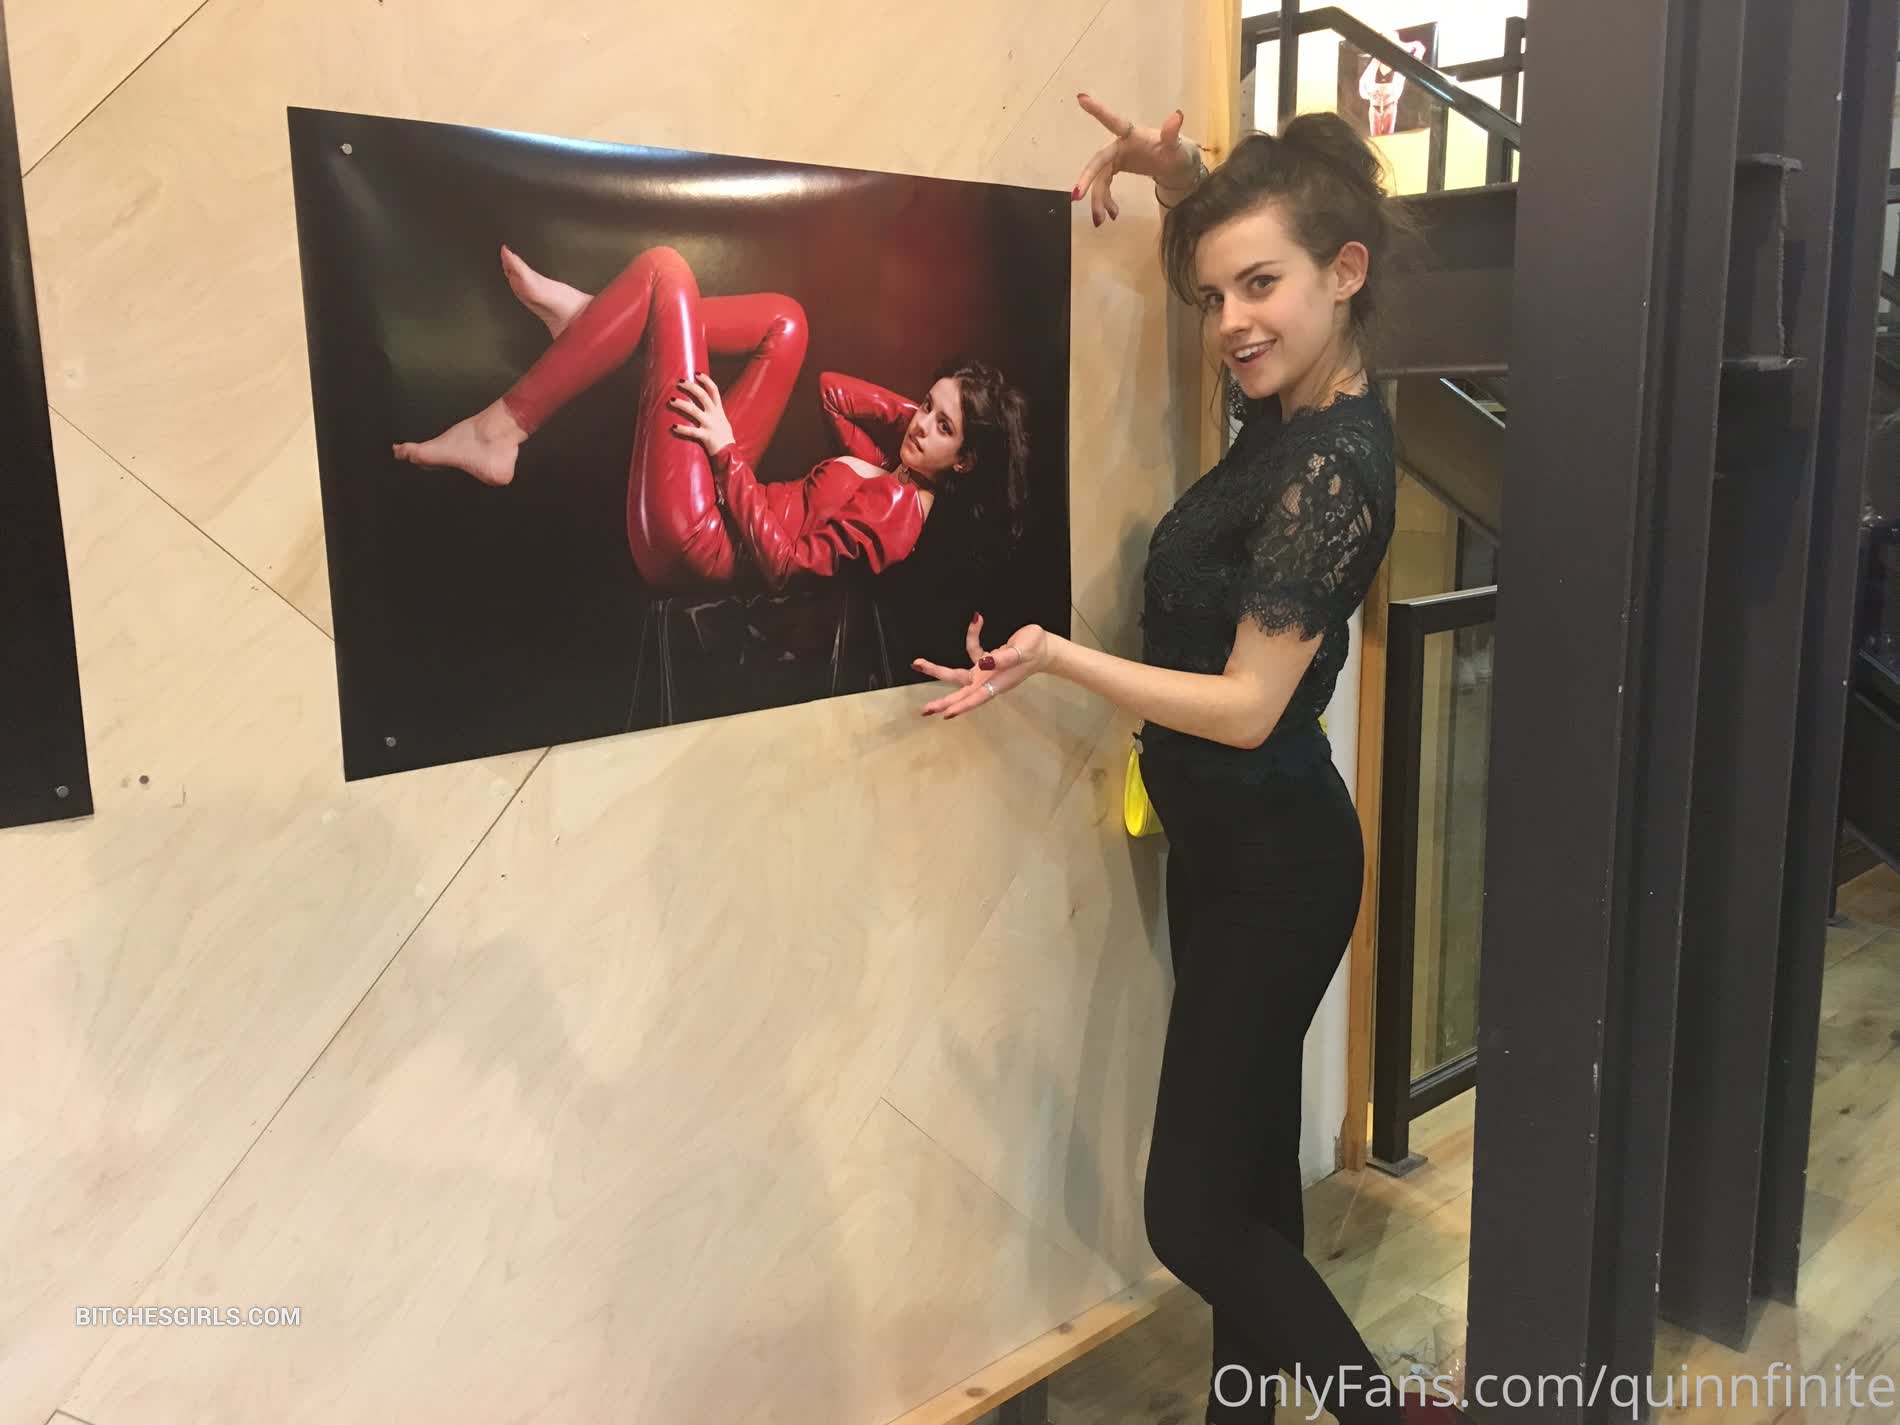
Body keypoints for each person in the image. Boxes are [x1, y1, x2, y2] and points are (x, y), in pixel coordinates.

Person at [911, 98, 1468, 1425]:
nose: (1230, 322)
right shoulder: (1280, 409)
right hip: (1229, 854)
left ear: (1348, 272)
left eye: (1260, 287)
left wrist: (1061, 658)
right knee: (1253, 1179)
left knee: (1190, 1216)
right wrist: (1180, 175)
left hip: (1280, 865)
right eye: (1215, 295)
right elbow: (1256, 245)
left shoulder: (1333, 465)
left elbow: (1246, 707)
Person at [393, 244, 1029, 592]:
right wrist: (927, 421)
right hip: (723, 504)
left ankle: (500, 430)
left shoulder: (896, 514)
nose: (921, 425)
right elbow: (833, 392)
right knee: (788, 322)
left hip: (702, 541)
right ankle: (602, 322)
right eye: (927, 406)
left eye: (944, 429)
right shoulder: (893, 473)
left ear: (966, 461)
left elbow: (785, 567)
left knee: (665, 269)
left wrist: (725, 452)